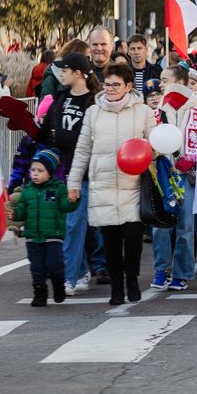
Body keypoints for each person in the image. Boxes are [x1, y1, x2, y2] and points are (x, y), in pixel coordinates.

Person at [67, 64, 156, 305]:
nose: (111, 89)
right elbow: (83, 150)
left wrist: (147, 153)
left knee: (133, 236)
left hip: (133, 184)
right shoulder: (93, 113)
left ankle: (133, 279)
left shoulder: (143, 112)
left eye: (116, 85)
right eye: (107, 84)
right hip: (103, 184)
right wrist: (73, 181)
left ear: (128, 86)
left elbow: (156, 145)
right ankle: (117, 287)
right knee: (111, 241)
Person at [40, 53, 105, 294]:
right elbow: (48, 133)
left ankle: (69, 275)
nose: (61, 74)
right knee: (72, 225)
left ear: (78, 73)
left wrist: (63, 137)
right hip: (63, 171)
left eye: (65, 70)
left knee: (76, 225)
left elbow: (90, 138)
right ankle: (78, 272)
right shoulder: (61, 98)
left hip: (87, 173)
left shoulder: (94, 102)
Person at [150, 65, 197, 292]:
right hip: (163, 174)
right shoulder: (158, 110)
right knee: (160, 225)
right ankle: (162, 269)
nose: (161, 83)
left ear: (179, 81)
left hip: (188, 176)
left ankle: (181, 272)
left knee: (185, 225)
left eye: (165, 79)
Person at [8, 148, 79, 307]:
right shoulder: (27, 191)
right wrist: (15, 214)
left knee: (55, 265)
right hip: (33, 237)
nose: (35, 174)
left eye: (40, 170)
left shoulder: (59, 189)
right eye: (33, 170)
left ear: (50, 172)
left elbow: (65, 206)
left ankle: (58, 285)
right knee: (37, 268)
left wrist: (73, 201)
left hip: (53, 236)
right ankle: (39, 293)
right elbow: (23, 211)